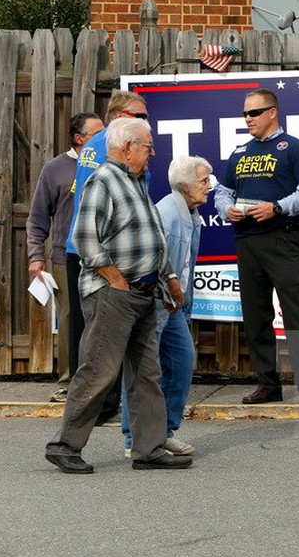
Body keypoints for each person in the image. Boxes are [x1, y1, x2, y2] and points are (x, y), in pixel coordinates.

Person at [45, 117, 191, 473]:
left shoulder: (137, 182)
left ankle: (148, 448)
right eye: (147, 146)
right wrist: (116, 280)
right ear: (127, 148)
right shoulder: (103, 181)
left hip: (145, 291)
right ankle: (64, 445)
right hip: (113, 292)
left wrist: (170, 279)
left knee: (146, 374)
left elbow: (153, 237)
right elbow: (84, 239)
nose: (153, 153)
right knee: (98, 370)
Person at [213, 89, 299, 414]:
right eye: (245, 114)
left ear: (272, 112)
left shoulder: (294, 148)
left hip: (283, 237)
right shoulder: (240, 152)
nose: (248, 119)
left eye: (254, 113)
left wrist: (277, 207)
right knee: (255, 314)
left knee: (295, 313)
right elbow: (222, 190)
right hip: (247, 239)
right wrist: (226, 209)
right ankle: (268, 384)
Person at [64, 91, 150, 425]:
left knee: (86, 333)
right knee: (108, 337)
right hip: (106, 254)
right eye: (140, 117)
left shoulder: (90, 146)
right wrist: (115, 273)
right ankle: (98, 407)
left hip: (81, 249)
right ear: (121, 116)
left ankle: (85, 405)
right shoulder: (118, 152)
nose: (145, 122)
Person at [120, 156, 212, 458]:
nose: (209, 185)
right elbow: (154, 262)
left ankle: (164, 432)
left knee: (182, 361)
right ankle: (134, 439)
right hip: (155, 302)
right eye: (203, 180)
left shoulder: (192, 213)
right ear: (185, 185)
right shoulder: (167, 213)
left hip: (172, 305)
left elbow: (186, 266)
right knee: (143, 369)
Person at [26, 112, 104, 402]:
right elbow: (37, 219)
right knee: (71, 317)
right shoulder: (55, 169)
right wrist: (36, 256)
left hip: (101, 255)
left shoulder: (105, 163)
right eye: (95, 133)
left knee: (101, 318)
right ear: (78, 138)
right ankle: (70, 382)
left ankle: (100, 382)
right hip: (64, 256)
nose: (102, 138)